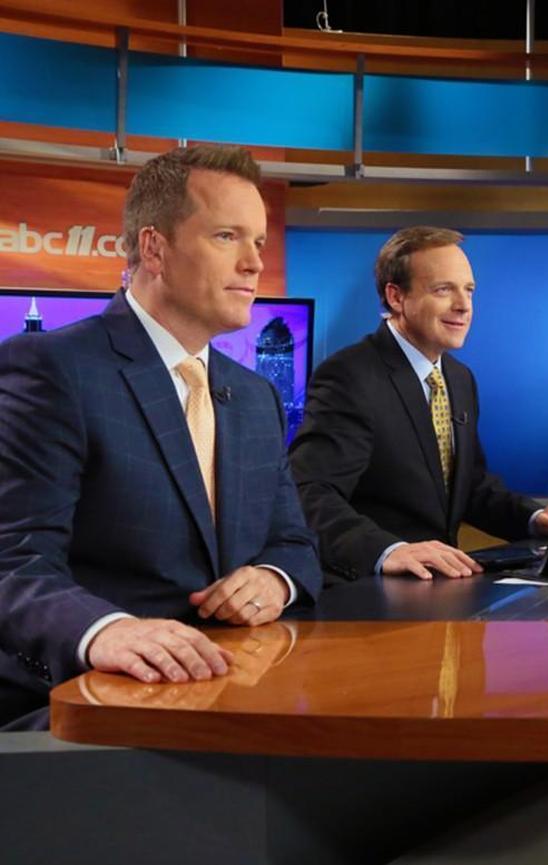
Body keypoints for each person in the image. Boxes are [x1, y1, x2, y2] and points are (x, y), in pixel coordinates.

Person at [0, 145, 322, 730]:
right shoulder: (52, 369)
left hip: (235, 696)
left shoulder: (255, 396)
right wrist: (107, 631)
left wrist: (274, 581)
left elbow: (294, 542)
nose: (253, 263)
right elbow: (12, 561)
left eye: (259, 242)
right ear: (155, 248)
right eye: (228, 236)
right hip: (87, 706)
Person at [289, 227, 548, 582]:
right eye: (443, 290)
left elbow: (470, 488)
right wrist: (388, 551)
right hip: (370, 593)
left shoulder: (459, 379)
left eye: (469, 290)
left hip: (444, 587)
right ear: (396, 297)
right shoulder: (350, 376)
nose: (463, 306)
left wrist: (536, 518)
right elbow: (310, 491)